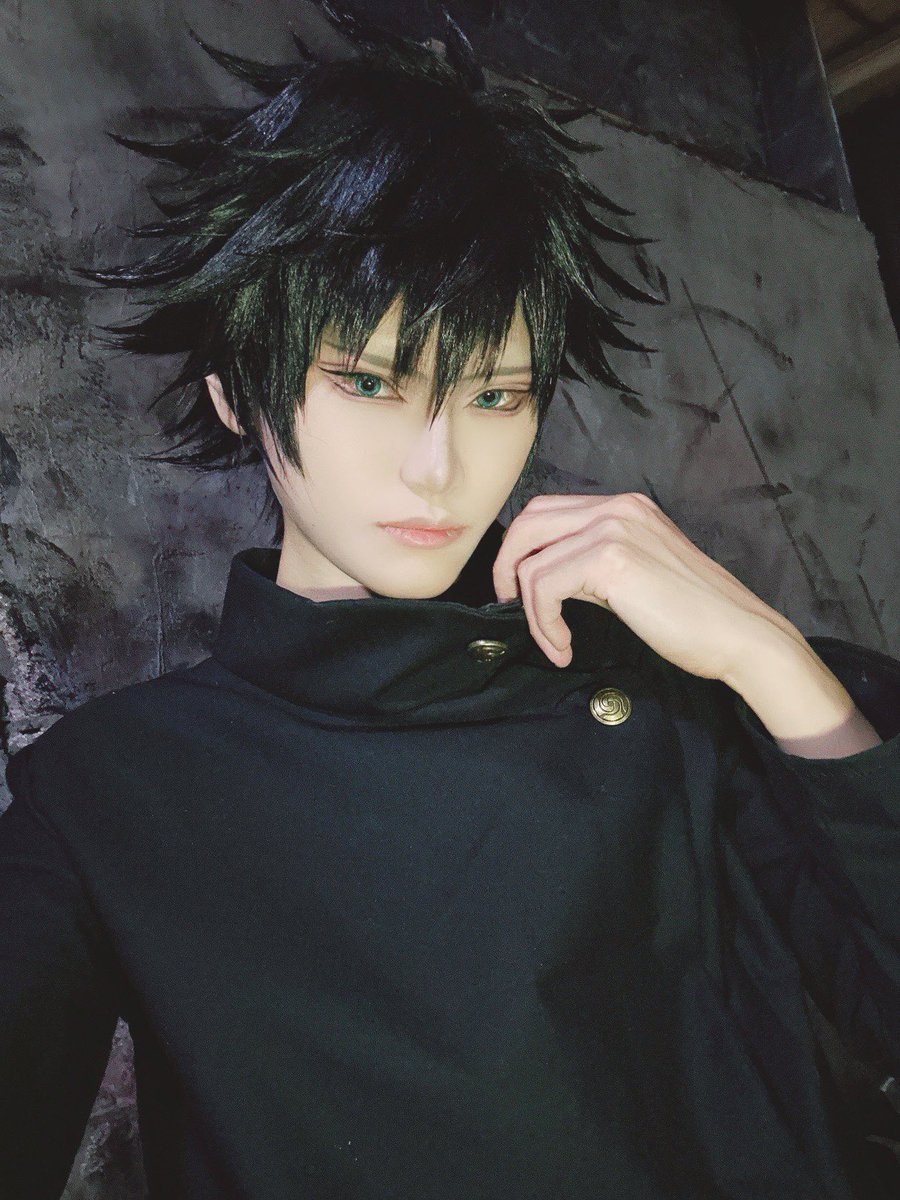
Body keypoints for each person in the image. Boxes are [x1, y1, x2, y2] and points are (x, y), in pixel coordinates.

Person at [1, 4, 898, 1198]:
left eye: (495, 396)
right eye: (371, 382)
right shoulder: (113, 788)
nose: (440, 468)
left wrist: (771, 659)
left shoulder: (665, 694)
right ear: (238, 396)